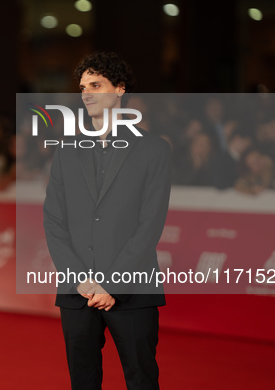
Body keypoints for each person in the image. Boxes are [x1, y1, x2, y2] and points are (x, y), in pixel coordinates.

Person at [43, 51, 171, 390]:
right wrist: (81, 280)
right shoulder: (66, 149)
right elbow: (54, 221)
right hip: (77, 292)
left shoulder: (154, 150)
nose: (86, 93)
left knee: (141, 380)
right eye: (83, 86)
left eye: (96, 85)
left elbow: (150, 224)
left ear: (119, 90)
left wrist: (112, 284)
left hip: (131, 289)